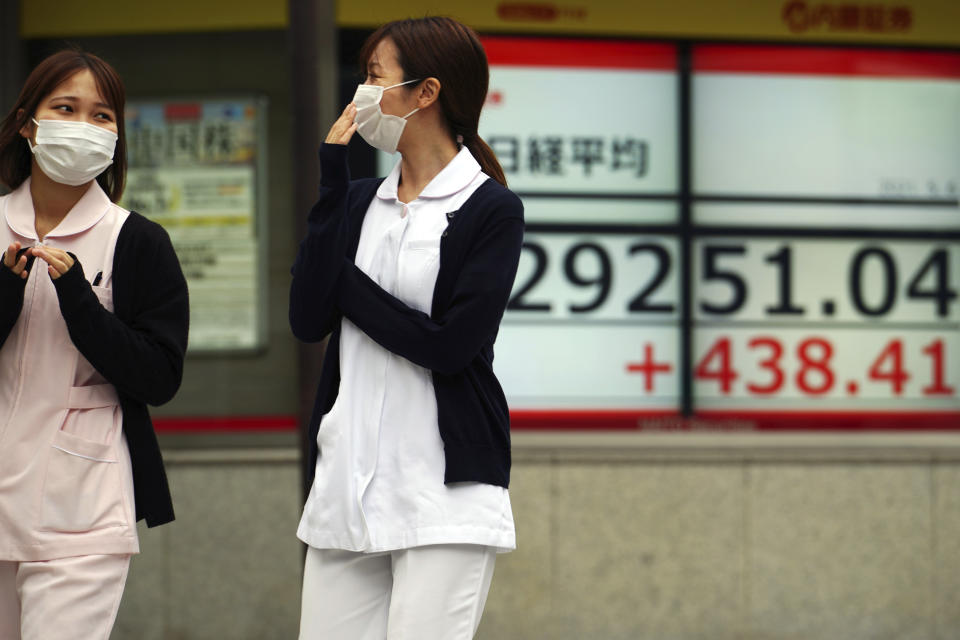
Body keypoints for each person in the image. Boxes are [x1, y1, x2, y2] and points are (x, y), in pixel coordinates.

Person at [290, 16, 523, 640]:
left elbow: (450, 346)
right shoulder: (360, 200)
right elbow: (307, 317)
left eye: (373, 78)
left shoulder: (490, 209)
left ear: (426, 93)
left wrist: (346, 283)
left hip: (443, 494)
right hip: (347, 485)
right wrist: (332, 182)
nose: (361, 95)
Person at [0, 50, 188, 640]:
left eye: (102, 115)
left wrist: (79, 299)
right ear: (29, 125)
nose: (84, 126)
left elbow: (159, 376)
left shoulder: (138, 242)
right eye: (66, 108)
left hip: (82, 509)